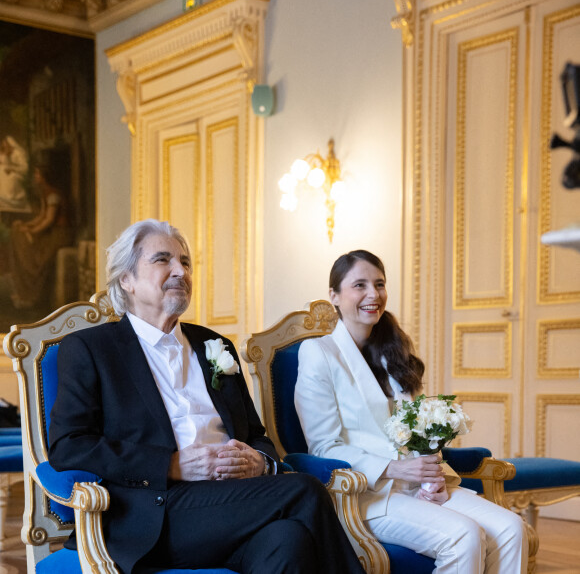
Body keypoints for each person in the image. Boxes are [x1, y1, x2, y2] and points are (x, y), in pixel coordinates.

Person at [48, 219, 365, 574]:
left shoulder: (213, 345)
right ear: (127, 279)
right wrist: (170, 465)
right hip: (158, 511)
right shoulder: (92, 349)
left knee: (287, 540)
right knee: (304, 492)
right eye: (162, 260)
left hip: (235, 502)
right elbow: (69, 445)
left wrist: (261, 463)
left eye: (185, 262)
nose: (179, 271)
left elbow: (256, 436)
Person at [294, 250, 528, 574]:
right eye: (359, 285)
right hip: (367, 495)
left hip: (423, 486)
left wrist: (431, 476)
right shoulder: (318, 353)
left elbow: (419, 432)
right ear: (334, 295)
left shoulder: (393, 352)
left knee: (512, 529)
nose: (373, 295)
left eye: (379, 284)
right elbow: (323, 447)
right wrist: (394, 469)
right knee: (466, 537)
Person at [9, 151, 72, 308]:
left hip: (60, 234)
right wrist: (27, 226)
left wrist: (32, 231)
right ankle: (26, 293)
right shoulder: (45, 193)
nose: (35, 176)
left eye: (37, 174)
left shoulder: (53, 195)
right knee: (18, 234)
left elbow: (49, 220)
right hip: (51, 232)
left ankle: (33, 296)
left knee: (40, 259)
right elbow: (42, 217)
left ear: (44, 177)